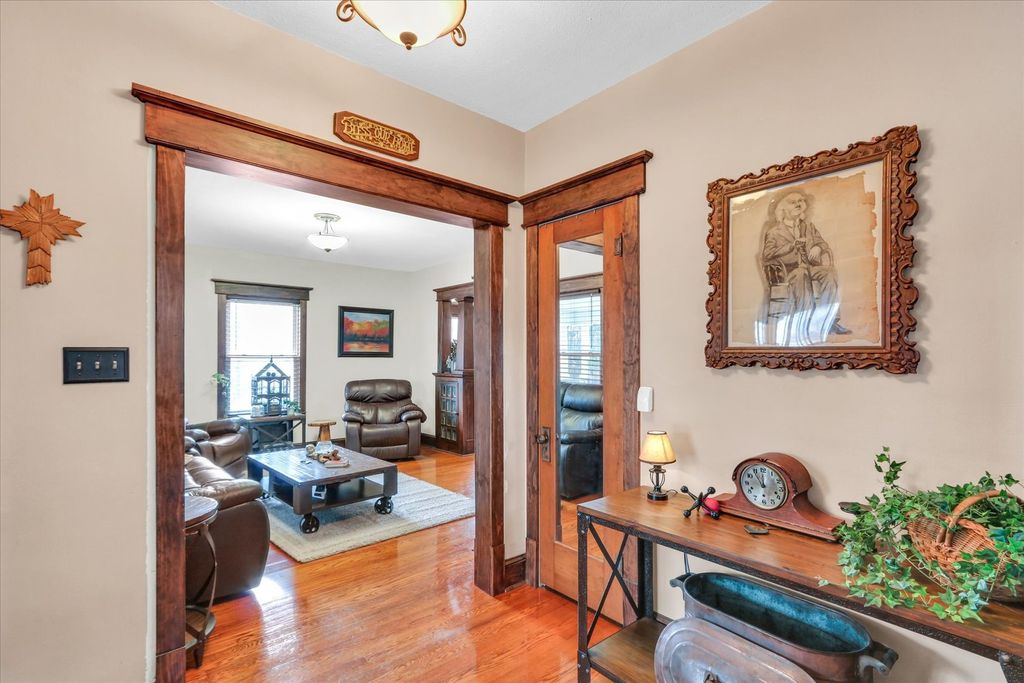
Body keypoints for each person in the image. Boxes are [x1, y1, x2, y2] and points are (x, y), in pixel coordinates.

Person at [758, 189, 850, 345]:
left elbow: (822, 243)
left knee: (828, 272)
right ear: (783, 209)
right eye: (793, 202)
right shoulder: (774, 232)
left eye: (800, 201)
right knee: (801, 274)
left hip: (809, 267)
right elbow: (767, 255)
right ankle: (805, 322)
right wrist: (791, 246)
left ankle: (830, 321)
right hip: (787, 272)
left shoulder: (808, 227)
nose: (798, 204)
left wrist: (818, 248)